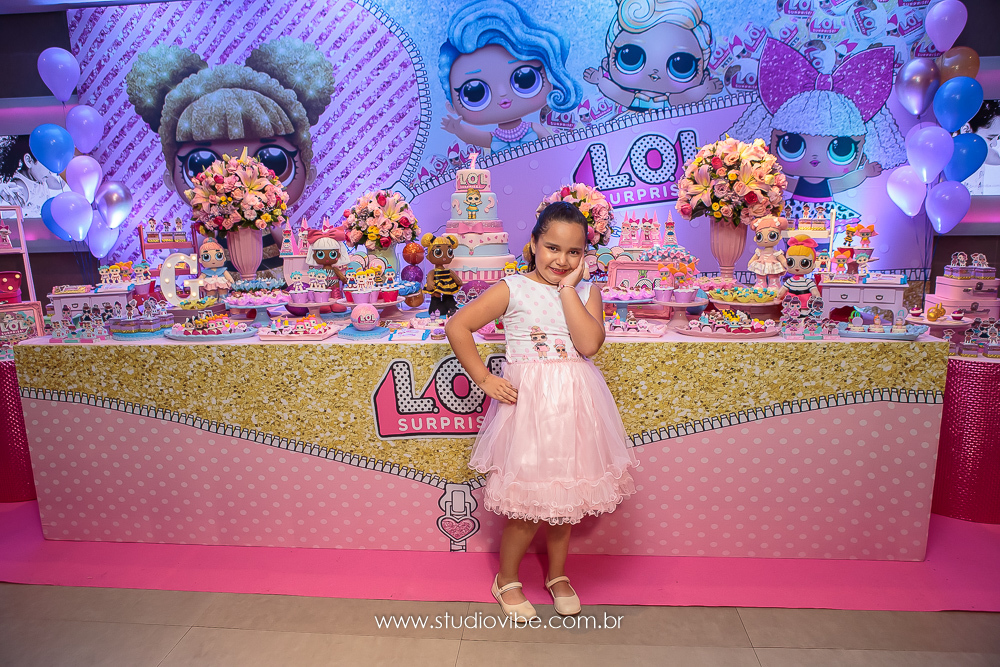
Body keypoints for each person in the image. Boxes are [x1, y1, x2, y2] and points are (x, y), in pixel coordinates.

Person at [445, 201, 637, 620]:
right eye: (552, 248)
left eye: (574, 252)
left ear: (585, 255)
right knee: (528, 506)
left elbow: (588, 345)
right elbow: (457, 325)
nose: (562, 260)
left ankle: (557, 575)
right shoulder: (513, 288)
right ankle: (506, 579)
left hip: (575, 410)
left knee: (565, 499)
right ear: (533, 244)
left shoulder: (587, 292)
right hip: (531, 413)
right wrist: (483, 378)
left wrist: (568, 289)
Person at [728, 39, 905, 222]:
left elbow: (842, 183)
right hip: (796, 210)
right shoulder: (794, 182)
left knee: (824, 233)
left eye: (840, 148)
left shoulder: (823, 184)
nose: (814, 159)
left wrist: (863, 173)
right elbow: (789, 183)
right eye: (792, 145)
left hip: (826, 211)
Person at [583, 0, 721, 112]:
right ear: (607, 63)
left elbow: (686, 97)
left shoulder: (670, 101)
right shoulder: (635, 101)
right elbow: (618, 94)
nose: (654, 73)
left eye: (680, 65)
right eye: (631, 58)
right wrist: (600, 81)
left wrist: (705, 89)